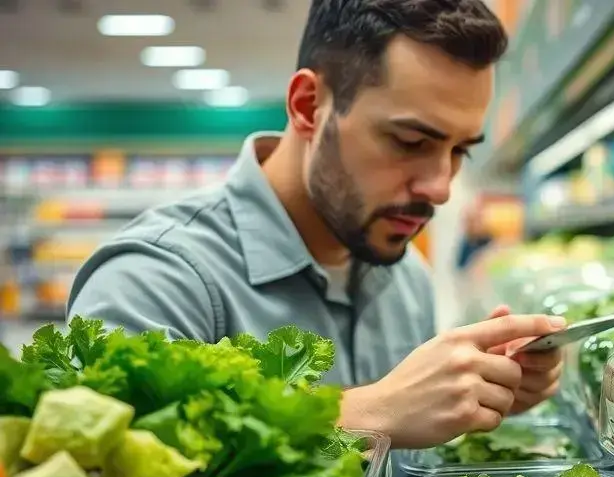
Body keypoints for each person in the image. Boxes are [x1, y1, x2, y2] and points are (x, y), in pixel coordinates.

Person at [66, 0, 564, 450]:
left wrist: (478, 397)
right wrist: (370, 413)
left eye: (459, 151)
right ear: (308, 106)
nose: (440, 187)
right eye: (410, 142)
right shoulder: (155, 279)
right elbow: (105, 476)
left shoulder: (405, 276)